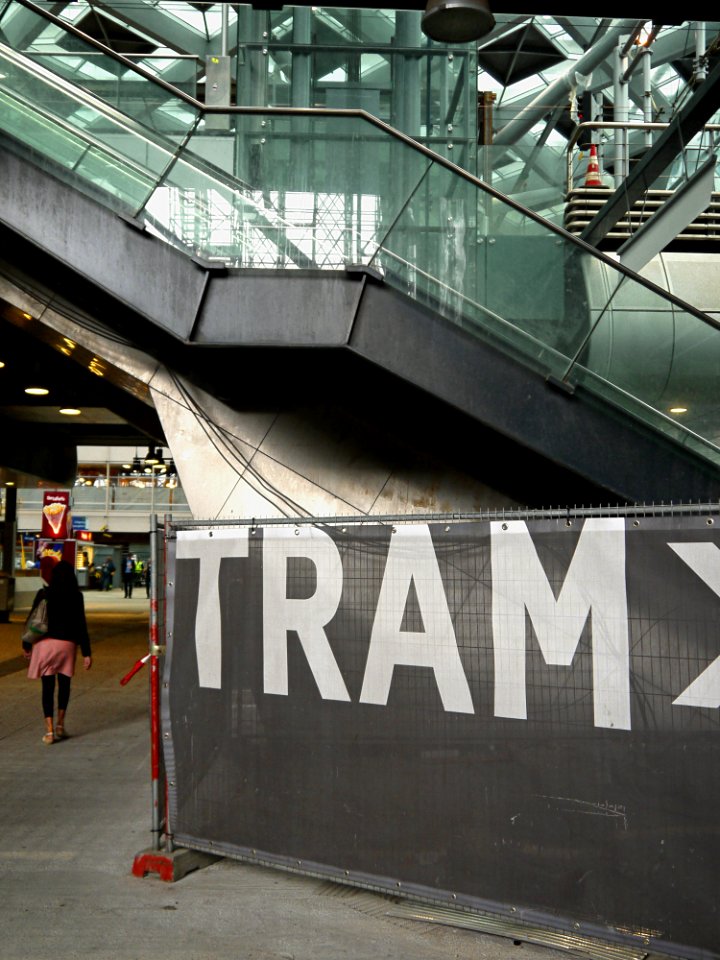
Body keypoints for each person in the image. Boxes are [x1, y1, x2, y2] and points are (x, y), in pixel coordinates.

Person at [22, 560, 92, 744]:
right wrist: (86, 652)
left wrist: (27, 645)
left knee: (47, 687)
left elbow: (33, 621)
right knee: (64, 685)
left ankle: (49, 731)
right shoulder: (77, 596)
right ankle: (61, 724)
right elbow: (81, 625)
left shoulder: (44, 593)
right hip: (66, 646)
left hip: (44, 645)